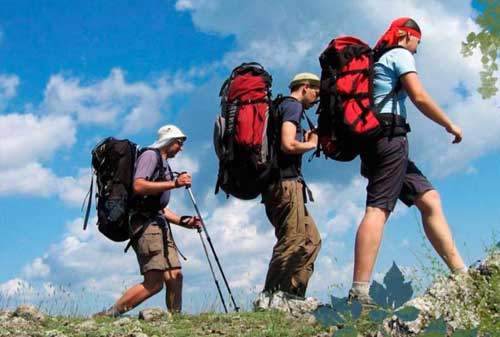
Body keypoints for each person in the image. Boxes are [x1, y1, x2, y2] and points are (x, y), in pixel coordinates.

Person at [348, 17, 467, 308]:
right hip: (390, 138)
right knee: (378, 208)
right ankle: (359, 292)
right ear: (405, 36)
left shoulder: (378, 61)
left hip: (379, 141)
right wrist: (449, 124)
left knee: (430, 199)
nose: (416, 50)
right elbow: (419, 96)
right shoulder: (398, 54)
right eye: (417, 43)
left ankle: (462, 274)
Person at [96, 124, 201, 316]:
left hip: (158, 223)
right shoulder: (150, 156)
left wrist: (183, 222)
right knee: (154, 283)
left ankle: (175, 321)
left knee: (175, 275)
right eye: (179, 142)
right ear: (168, 141)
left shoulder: (163, 163)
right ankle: (107, 316)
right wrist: (175, 183)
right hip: (145, 226)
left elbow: (158, 207)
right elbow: (138, 185)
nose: (181, 147)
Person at [258, 73, 322, 302]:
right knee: (293, 238)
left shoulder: (281, 106)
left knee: (311, 239)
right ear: (305, 87)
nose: (317, 97)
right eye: (316, 91)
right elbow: (288, 144)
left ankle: (291, 295)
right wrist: (312, 144)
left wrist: (304, 141)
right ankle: (270, 297)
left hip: (279, 184)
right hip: (285, 183)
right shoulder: (293, 106)